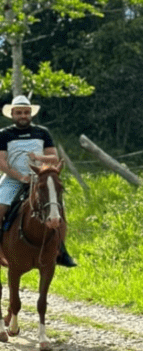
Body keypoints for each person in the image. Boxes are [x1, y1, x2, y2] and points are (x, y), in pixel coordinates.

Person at [0, 95, 77, 267]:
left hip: (40, 177)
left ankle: (61, 250)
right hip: (13, 178)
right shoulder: (4, 134)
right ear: (12, 114)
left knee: (58, 210)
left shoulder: (42, 132)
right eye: (19, 112)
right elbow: (1, 161)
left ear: (31, 114)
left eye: (26, 112)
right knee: (0, 208)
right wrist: (20, 177)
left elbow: (53, 158)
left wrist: (37, 157)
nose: (23, 115)